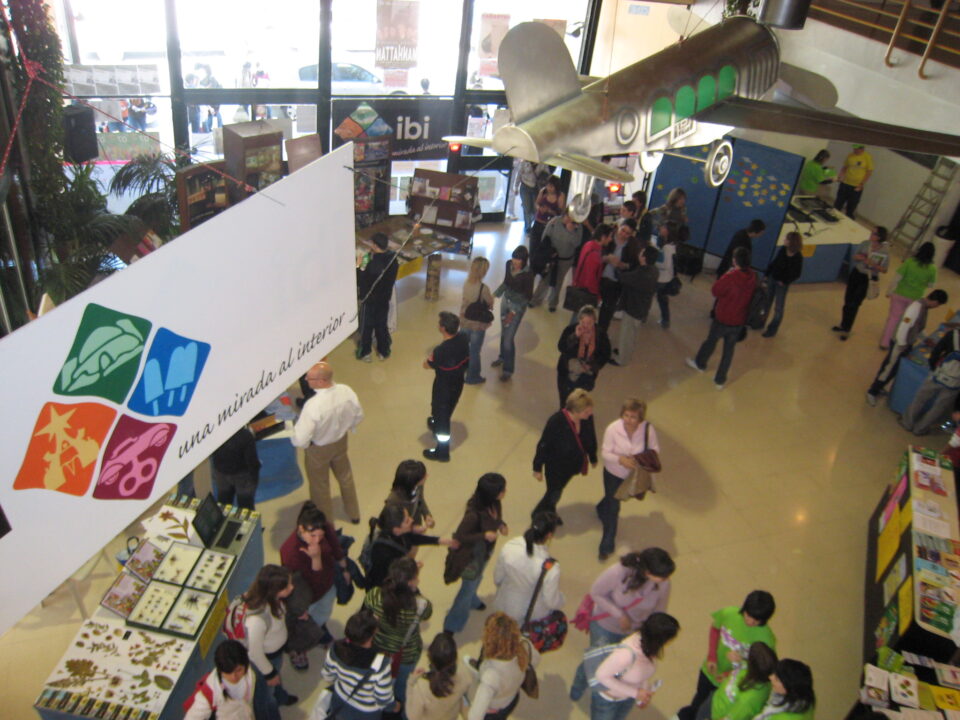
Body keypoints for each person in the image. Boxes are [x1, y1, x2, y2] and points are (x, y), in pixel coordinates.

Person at [676, 590, 777, 720]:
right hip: (711, 670)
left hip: (733, 686)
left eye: (756, 620)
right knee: (700, 699)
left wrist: (731, 673)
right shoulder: (729, 613)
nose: (750, 621)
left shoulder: (767, 639)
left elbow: (762, 667)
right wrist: (712, 656)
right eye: (748, 615)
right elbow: (715, 629)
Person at [291, 361, 362, 523]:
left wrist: (302, 441)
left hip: (318, 449)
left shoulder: (312, 406)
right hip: (341, 442)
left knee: (320, 486)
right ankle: (354, 513)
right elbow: (358, 415)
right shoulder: (346, 391)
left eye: (310, 379)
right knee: (346, 477)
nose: (306, 381)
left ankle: (326, 522)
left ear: (322, 381)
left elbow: (299, 439)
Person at [574, 612, 680, 720]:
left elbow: (643, 673)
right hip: (608, 700)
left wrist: (641, 694)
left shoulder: (649, 646)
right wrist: (636, 693)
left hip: (628, 696)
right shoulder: (626, 654)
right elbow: (601, 676)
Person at [279, 502, 346, 667]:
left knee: (321, 616)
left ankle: (321, 633)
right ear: (301, 529)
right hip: (309, 597)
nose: (317, 540)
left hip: (327, 587)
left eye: (320, 536)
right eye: (313, 536)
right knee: (303, 626)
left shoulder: (323, 528)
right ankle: (298, 649)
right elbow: (308, 582)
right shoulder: (290, 552)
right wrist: (316, 558)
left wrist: (343, 566)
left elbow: (334, 543)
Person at [363, 557, 432, 710]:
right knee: (403, 685)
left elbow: (368, 608)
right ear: (410, 582)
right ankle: (398, 705)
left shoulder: (375, 594)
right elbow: (427, 614)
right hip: (406, 653)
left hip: (379, 647)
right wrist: (415, 590)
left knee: (380, 678)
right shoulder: (420, 605)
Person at [443, 473, 508, 634]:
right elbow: (460, 536)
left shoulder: (495, 503)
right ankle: (452, 623)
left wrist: (500, 524)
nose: (504, 492)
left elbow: (495, 519)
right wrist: (483, 535)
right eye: (501, 490)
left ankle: (473, 599)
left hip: (483, 553)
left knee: (477, 579)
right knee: (467, 589)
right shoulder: (473, 515)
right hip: (471, 558)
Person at [686, 246, 758, 390]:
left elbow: (715, 291)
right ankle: (720, 379)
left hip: (724, 318)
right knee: (729, 350)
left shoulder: (731, 277)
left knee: (711, 341)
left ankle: (700, 363)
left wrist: (727, 274)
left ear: (735, 261)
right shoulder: (753, 276)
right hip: (739, 320)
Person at [597, 400, 661, 559]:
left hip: (633, 475)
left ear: (640, 418)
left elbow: (655, 449)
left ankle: (601, 506)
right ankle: (607, 542)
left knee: (611, 498)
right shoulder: (613, 429)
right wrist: (621, 460)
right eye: (626, 415)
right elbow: (605, 453)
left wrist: (639, 459)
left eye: (633, 417)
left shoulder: (648, 429)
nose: (628, 420)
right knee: (614, 508)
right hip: (613, 473)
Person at [867, 289, 948, 406]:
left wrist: (925, 339)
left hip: (905, 343)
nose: (937, 307)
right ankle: (872, 391)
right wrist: (901, 344)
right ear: (935, 301)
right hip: (900, 344)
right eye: (938, 304)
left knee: (894, 369)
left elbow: (917, 327)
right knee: (888, 368)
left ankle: (880, 387)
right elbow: (904, 326)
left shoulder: (923, 307)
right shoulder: (916, 307)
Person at [585, 549, 675, 649]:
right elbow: (596, 593)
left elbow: (659, 610)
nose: (666, 579)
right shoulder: (619, 571)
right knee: (596, 662)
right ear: (647, 572)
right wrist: (620, 615)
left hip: (634, 632)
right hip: (605, 626)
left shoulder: (663, 583)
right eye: (662, 577)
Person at [320, 608, 397, 719]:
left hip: (340, 700)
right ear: (373, 633)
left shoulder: (336, 648)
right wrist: (395, 706)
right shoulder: (381, 664)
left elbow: (327, 675)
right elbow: (383, 699)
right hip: (365, 712)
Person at [532, 388, 598, 517]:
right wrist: (537, 468)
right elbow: (543, 445)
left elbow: (591, 437)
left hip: (572, 466)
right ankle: (540, 513)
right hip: (555, 466)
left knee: (557, 490)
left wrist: (593, 456)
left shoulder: (587, 418)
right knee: (554, 491)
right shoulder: (556, 421)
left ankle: (549, 511)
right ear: (575, 411)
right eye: (586, 412)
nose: (590, 414)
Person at [492, 510, 565, 624]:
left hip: (503, 605)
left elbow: (497, 579)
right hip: (529, 617)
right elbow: (551, 602)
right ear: (549, 535)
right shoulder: (551, 568)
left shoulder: (509, 546)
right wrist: (561, 599)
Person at [466, 612, 541, 720]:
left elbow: (474, 717)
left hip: (494, 709)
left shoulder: (491, 676)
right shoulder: (524, 645)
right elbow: (536, 660)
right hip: (513, 698)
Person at [240, 565, 297, 707]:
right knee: (265, 698)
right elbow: (255, 653)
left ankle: (280, 696)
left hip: (275, 654)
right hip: (265, 660)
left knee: (276, 679)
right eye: (287, 586)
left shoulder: (273, 600)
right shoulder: (256, 621)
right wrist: (269, 674)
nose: (292, 587)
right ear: (274, 591)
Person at [366, 504, 457, 589]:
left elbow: (411, 538)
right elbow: (395, 576)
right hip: (386, 588)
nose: (412, 520)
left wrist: (438, 540)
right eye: (407, 520)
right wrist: (413, 569)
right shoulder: (383, 552)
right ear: (396, 529)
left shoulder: (394, 533)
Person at [424, 311, 470, 462]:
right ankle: (436, 422)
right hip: (458, 383)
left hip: (443, 387)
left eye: (439, 323)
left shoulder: (441, 351)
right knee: (447, 409)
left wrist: (430, 358)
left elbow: (426, 365)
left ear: (443, 328)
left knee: (442, 416)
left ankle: (442, 453)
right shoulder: (463, 339)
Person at [184, 640, 267, 720]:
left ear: (246, 664)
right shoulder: (209, 694)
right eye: (228, 672)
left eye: (238, 670)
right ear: (220, 670)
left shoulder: (250, 674)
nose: (234, 677)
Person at [832, 227, 890, 339]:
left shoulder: (884, 251)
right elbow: (855, 256)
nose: (871, 234)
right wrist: (861, 258)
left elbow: (884, 269)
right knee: (847, 300)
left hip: (867, 278)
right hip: (856, 274)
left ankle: (847, 329)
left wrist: (873, 264)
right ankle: (843, 324)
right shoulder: (865, 244)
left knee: (855, 303)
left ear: (879, 237)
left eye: (873, 233)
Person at [900, 326, 960, 435]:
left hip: (939, 375)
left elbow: (936, 351)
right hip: (955, 383)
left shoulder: (952, 335)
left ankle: (907, 422)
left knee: (920, 398)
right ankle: (921, 428)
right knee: (939, 407)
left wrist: (934, 367)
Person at [696, 641, 777, 720]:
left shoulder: (749, 701)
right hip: (717, 699)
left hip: (715, 715)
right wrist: (729, 673)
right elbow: (741, 668)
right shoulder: (761, 670)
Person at [880, 241, 938, 350]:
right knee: (906, 320)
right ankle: (898, 340)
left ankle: (885, 342)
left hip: (900, 294)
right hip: (915, 298)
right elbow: (931, 285)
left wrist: (889, 291)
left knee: (893, 318)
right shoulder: (932, 269)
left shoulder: (910, 262)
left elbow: (897, 277)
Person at [492, 246, 535, 382]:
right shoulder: (508, 265)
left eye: (518, 260)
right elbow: (506, 282)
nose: (515, 262)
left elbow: (527, 297)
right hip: (506, 301)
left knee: (508, 339)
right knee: (504, 331)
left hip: (517, 307)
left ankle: (508, 370)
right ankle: (502, 357)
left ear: (524, 261)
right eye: (514, 258)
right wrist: (495, 295)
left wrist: (514, 311)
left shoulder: (528, 275)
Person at [406, 632, 472, 720]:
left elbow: (413, 716)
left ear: (430, 655)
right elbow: (465, 700)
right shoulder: (465, 673)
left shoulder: (422, 686)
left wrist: (410, 684)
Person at [557, 306, 612, 406]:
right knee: (565, 398)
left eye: (589, 323)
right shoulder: (570, 330)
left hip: (587, 373)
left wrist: (591, 366)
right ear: (579, 320)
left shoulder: (600, 334)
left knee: (579, 400)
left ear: (595, 321)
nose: (586, 326)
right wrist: (575, 336)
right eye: (583, 323)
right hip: (567, 371)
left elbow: (606, 354)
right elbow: (562, 347)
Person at [613, 246, 659, 366]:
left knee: (626, 334)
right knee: (632, 334)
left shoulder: (642, 274)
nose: (639, 253)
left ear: (644, 257)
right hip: (641, 308)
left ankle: (621, 359)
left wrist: (615, 266)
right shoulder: (653, 270)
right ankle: (625, 352)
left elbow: (622, 278)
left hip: (633, 308)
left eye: (642, 252)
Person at [357, 232, 399, 362]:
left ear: (375, 245)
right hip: (384, 299)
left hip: (370, 300)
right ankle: (383, 351)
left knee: (366, 326)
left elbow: (361, 281)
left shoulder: (372, 264)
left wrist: (358, 266)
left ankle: (365, 352)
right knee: (381, 324)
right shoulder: (393, 260)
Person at [532, 211, 583, 311]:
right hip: (551, 257)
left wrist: (570, 231)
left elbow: (577, 243)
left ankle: (553, 303)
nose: (569, 220)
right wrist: (548, 252)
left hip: (565, 260)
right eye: (568, 217)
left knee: (559, 281)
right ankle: (536, 299)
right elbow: (545, 237)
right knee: (545, 278)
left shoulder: (577, 227)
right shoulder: (554, 222)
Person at [760, 232, 804, 338]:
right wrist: (766, 275)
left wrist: (784, 281)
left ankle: (772, 329)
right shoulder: (782, 250)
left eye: (787, 239)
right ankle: (760, 321)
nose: (784, 240)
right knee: (766, 302)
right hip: (772, 279)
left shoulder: (798, 257)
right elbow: (774, 263)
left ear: (792, 242)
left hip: (782, 284)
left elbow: (796, 274)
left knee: (778, 308)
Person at [461, 256, 495, 384]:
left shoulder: (466, 283)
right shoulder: (483, 288)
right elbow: (489, 303)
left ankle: (461, 370)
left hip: (465, 320)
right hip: (477, 324)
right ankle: (472, 377)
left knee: (464, 348)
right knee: (474, 351)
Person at [210, 424, 260, 510]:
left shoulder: (214, 432)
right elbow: (252, 461)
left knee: (223, 505)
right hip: (242, 476)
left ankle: (223, 521)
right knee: (246, 507)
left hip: (221, 473)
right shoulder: (245, 435)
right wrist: (254, 478)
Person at [529, 176, 566, 287]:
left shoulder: (560, 196)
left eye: (551, 186)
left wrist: (550, 210)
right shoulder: (543, 192)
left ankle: (542, 269)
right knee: (533, 247)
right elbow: (536, 203)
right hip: (538, 222)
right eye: (548, 185)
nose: (549, 188)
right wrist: (539, 208)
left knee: (545, 249)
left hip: (549, 225)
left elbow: (560, 213)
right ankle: (533, 270)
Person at [575, 226, 613, 329]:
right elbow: (591, 279)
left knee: (577, 316)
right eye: (609, 236)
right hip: (587, 291)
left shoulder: (589, 245)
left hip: (579, 284)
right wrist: (597, 296)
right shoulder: (595, 255)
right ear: (603, 237)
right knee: (581, 320)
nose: (611, 239)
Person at [385, 459, 435, 533]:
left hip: (415, 523)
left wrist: (426, 515)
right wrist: (413, 529)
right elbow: (393, 527)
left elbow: (420, 499)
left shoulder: (418, 485)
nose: (427, 476)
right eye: (423, 476)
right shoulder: (393, 502)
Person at [598, 222, 632, 331]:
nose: (623, 234)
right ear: (619, 228)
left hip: (616, 282)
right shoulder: (608, 240)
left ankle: (601, 332)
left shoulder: (630, 247)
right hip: (600, 278)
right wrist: (607, 258)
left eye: (627, 233)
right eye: (623, 230)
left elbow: (632, 264)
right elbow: (596, 254)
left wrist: (622, 265)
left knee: (607, 310)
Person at [834, 144, 874, 219]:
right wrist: (840, 176)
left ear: (862, 149)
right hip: (845, 183)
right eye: (854, 149)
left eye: (856, 149)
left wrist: (861, 184)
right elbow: (845, 167)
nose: (854, 150)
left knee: (851, 206)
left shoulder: (867, 157)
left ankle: (847, 220)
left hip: (856, 186)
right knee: (838, 203)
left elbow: (869, 172)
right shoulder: (850, 155)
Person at [654, 221, 679, 329]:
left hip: (661, 278)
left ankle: (643, 316)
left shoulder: (667, 248)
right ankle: (665, 320)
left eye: (663, 227)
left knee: (649, 296)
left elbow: (665, 264)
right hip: (667, 278)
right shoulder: (672, 245)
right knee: (662, 299)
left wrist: (653, 261)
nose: (661, 228)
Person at [517, 161, 549, 234]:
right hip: (525, 186)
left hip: (536, 187)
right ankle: (528, 227)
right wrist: (516, 186)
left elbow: (547, 174)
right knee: (527, 207)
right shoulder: (524, 163)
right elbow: (519, 174)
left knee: (535, 208)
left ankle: (533, 225)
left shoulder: (542, 163)